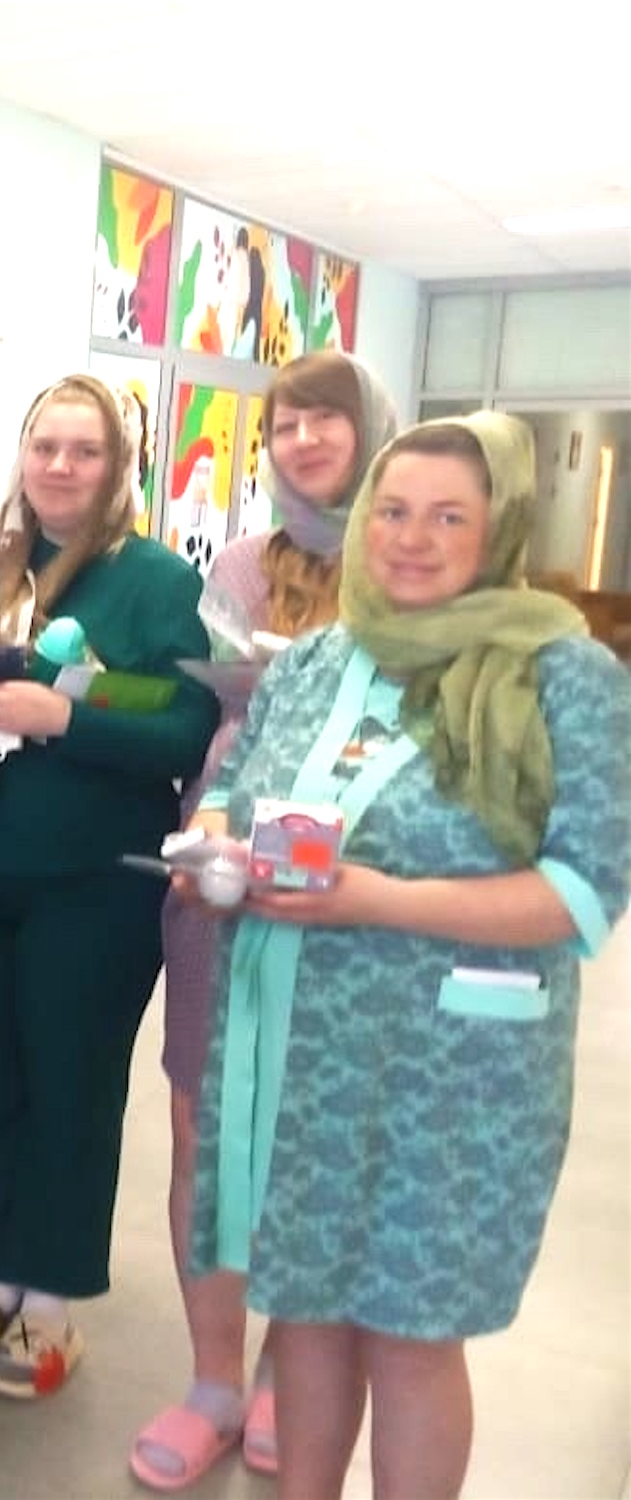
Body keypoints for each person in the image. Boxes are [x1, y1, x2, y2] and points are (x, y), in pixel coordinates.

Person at [183, 412, 630, 1500]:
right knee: (306, 1315)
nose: (410, 538)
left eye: (447, 517)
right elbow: (233, 792)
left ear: (501, 528)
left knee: (410, 1335)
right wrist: (212, 848)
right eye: (391, 510)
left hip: (454, 1077)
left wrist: (380, 899)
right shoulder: (317, 658)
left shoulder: (559, 675)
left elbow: (583, 890)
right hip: (303, 1054)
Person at [0, 372, 217, 1399]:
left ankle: (49, 1305)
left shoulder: (154, 583)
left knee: (69, 1090)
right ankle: (1, 1278)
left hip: (89, 884)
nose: (60, 466)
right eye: (45, 445)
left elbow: (185, 729)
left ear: (118, 467)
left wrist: (67, 720)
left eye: (85, 450)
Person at [131, 349, 397, 1489]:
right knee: (203, 1124)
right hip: (223, 852)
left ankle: (294, 1370)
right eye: (285, 422)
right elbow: (206, 706)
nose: (303, 439)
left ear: (369, 428)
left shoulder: (404, 565)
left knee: (308, 1132)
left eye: (325, 418)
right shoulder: (241, 563)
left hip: (350, 869)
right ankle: (211, 1379)